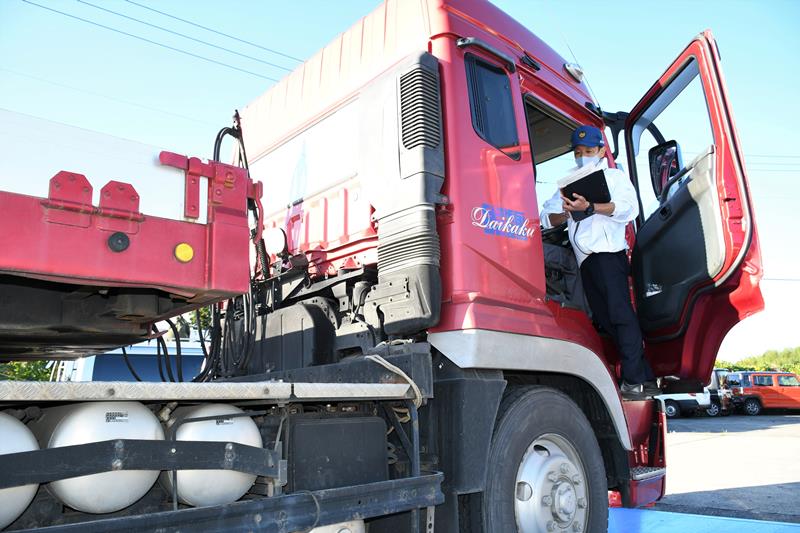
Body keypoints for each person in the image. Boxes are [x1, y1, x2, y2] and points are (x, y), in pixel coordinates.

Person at [540, 125, 657, 399]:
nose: (583, 157)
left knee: (620, 315)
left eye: (589, 151)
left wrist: (591, 208)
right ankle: (644, 375)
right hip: (585, 262)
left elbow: (629, 208)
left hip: (608, 256)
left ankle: (634, 378)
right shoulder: (566, 184)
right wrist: (568, 213)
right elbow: (545, 217)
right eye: (578, 152)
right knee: (604, 319)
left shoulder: (614, 177)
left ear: (602, 151)